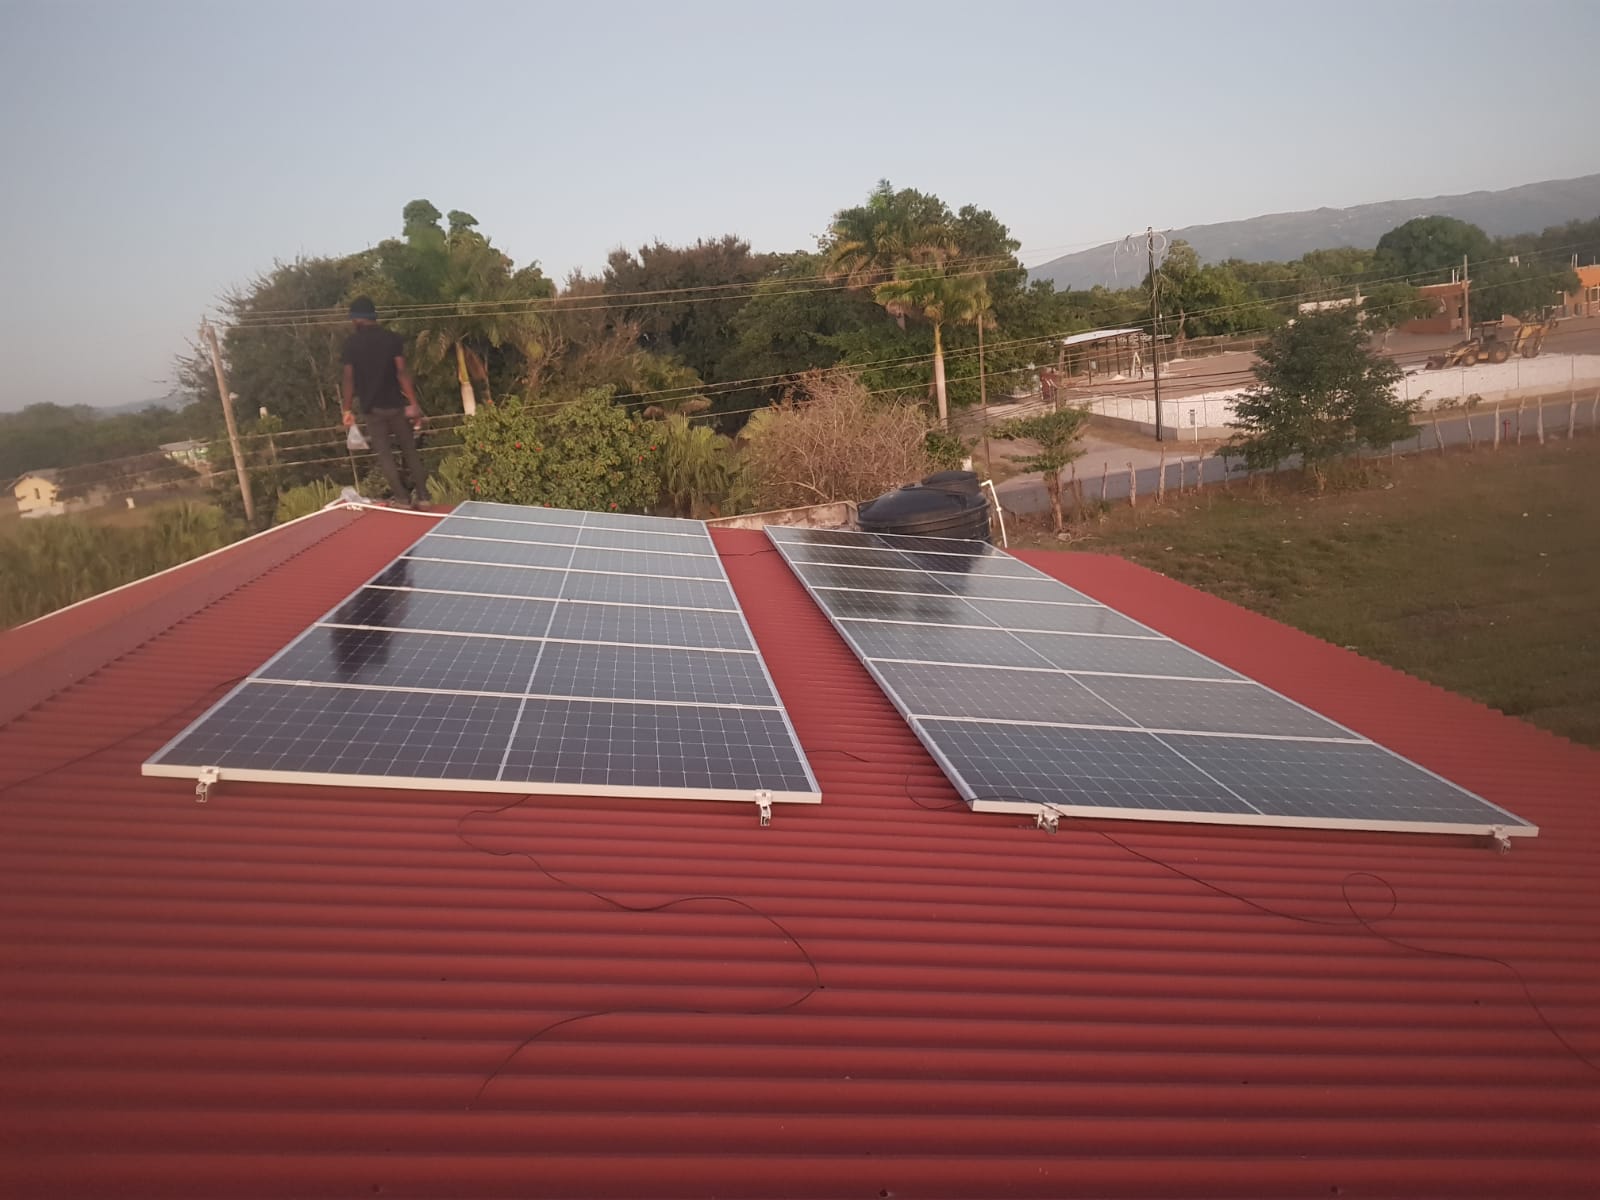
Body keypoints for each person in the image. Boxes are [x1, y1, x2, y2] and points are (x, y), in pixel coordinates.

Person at [341, 297, 428, 507]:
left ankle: (402, 498)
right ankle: (424, 497)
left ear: (356, 319)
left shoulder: (351, 344)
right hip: (397, 406)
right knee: (410, 451)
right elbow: (401, 372)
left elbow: (348, 378)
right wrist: (414, 404)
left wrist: (346, 408)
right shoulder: (392, 339)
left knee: (385, 455)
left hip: (372, 409)